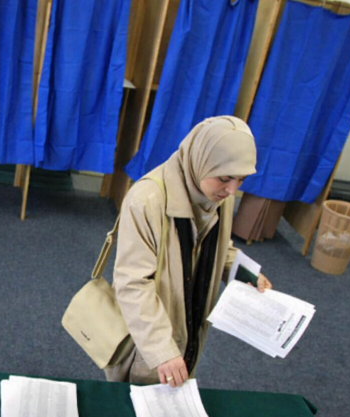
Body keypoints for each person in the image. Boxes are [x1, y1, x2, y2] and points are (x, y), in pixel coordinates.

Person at [108, 116, 272, 387]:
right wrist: (161, 350)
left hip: (189, 319)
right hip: (148, 334)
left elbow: (214, 242)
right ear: (201, 161)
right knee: (135, 398)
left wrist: (242, 271)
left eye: (240, 180)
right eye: (225, 178)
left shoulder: (217, 192)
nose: (232, 190)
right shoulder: (146, 200)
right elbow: (132, 284)